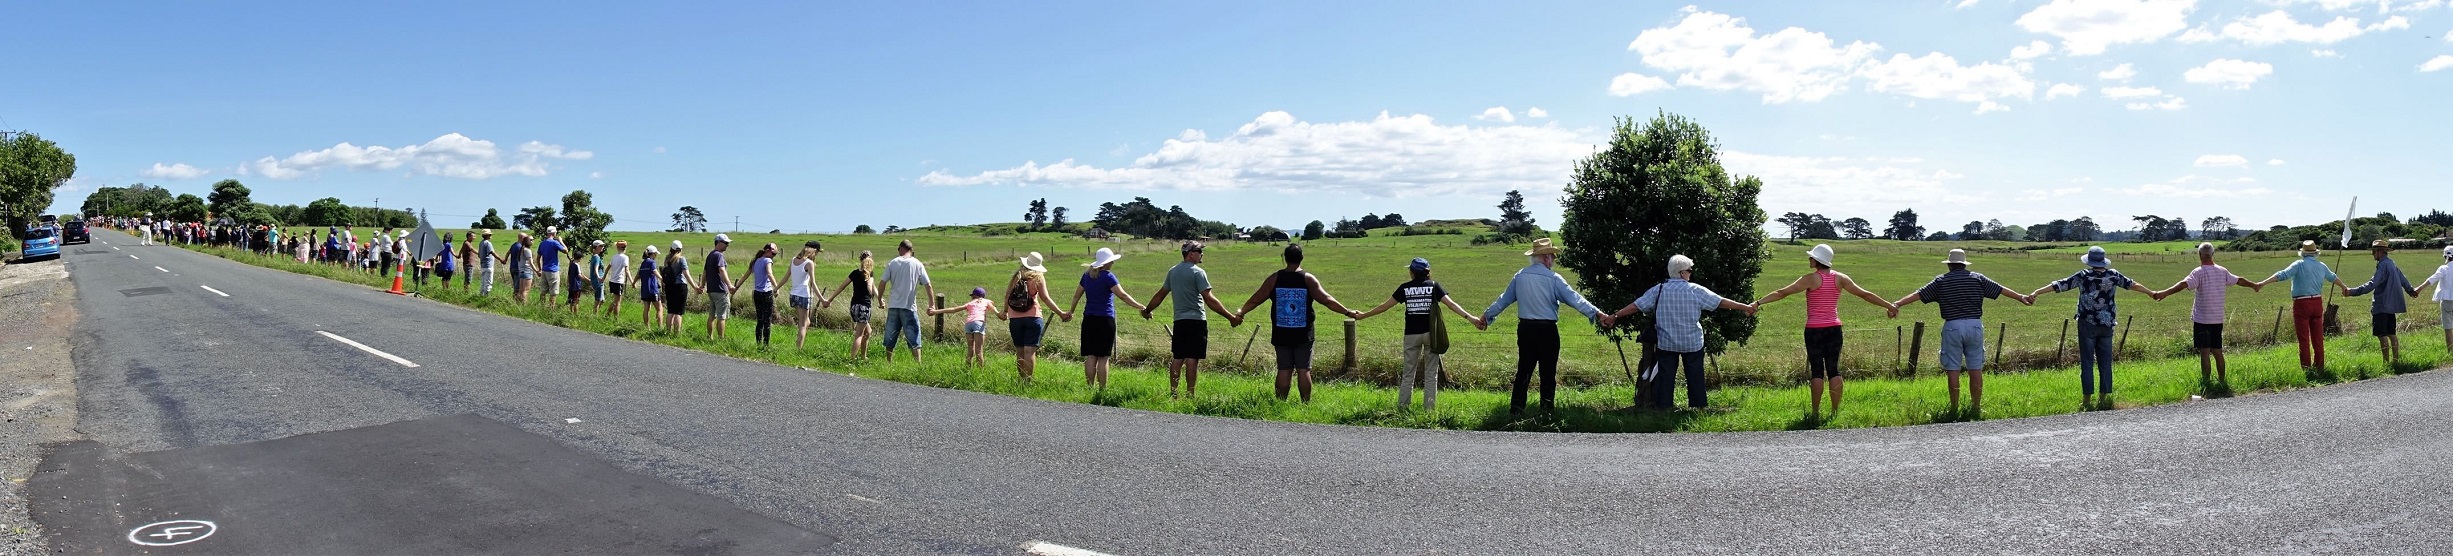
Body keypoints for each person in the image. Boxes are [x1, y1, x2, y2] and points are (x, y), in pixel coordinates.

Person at [1747, 244, 1898, 418]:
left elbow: (1783, 293)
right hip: (1834, 329)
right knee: (1834, 369)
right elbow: (1865, 294)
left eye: (1811, 257)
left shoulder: (1810, 279)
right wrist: (1889, 306)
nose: (1809, 259)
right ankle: (1834, 412)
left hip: (1813, 330)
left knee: (1817, 371)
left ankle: (1815, 413)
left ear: (1817, 260)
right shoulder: (1840, 278)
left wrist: (1757, 303)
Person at [1889, 249, 2033, 417]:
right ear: (1964, 264)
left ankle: (1954, 408)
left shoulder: (1941, 281)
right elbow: (2001, 289)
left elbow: (1919, 294)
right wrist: (2021, 297)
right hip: (1975, 325)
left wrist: (1897, 304)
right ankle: (1976, 408)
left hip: (1952, 326)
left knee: (1953, 369)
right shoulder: (1977, 278)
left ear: (1949, 265)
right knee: (1975, 368)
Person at [1608, 255, 1758, 410]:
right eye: (1689, 270)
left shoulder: (1658, 290)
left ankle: (1664, 408)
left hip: (1666, 343)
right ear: (1681, 273)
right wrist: (1745, 307)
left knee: (1666, 377)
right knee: (1695, 376)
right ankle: (1698, 407)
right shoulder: (1695, 290)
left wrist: (1615, 316)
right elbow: (1720, 302)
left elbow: (1637, 306)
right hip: (1692, 343)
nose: (1690, 273)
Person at [1481, 238, 1607, 414]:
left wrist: (1486, 316)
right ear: (1547, 257)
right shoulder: (1554, 278)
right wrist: (1597, 313)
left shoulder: (1520, 276)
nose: (1553, 261)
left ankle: (1516, 410)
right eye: (1553, 257)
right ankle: (1546, 411)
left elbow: (1504, 300)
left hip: (1525, 329)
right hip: (1547, 330)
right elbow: (1574, 299)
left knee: (1524, 369)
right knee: (1548, 372)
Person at [2028, 246, 2160, 409]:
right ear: (2103, 260)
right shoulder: (2114, 275)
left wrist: (2037, 292)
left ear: (2089, 261)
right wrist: (2150, 292)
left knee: (2087, 361)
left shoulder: (2084, 276)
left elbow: (2060, 285)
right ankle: (2104, 398)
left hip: (2087, 323)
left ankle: (2087, 400)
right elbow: (2133, 285)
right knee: (2105, 362)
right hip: (2107, 324)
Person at [1354, 257, 1485, 412]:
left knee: (1408, 373)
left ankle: (1403, 409)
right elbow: (1451, 304)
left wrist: (1363, 315)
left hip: (1411, 335)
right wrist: (1472, 319)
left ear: (1412, 272)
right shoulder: (1434, 286)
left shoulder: (1404, 288)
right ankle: (1429, 411)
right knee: (1431, 375)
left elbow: (1384, 307)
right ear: (1427, 272)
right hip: (1431, 335)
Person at [1234, 244, 1360, 403]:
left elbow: (1256, 299)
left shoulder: (1275, 278)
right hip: (1304, 334)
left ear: (1284, 258)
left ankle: (1280, 403)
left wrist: (1241, 313)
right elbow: (1327, 300)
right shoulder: (1308, 279)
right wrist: (1348, 312)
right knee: (1304, 369)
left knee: (1283, 369)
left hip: (1281, 332)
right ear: (1301, 258)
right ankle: (1305, 404)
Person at [2152, 243, 2265, 386]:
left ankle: (2206, 383)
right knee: (2217, 351)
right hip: (2217, 319)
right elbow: (2239, 280)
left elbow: (2183, 284)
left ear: (2199, 255)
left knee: (2205, 352)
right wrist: (2254, 285)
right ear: (2213, 254)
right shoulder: (2222, 271)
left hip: (2202, 319)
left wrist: (2165, 293)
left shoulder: (2198, 272)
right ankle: (2222, 382)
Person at [1142, 241, 1240, 399]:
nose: (1202, 254)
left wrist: (1147, 310)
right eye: (1200, 251)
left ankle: (1173, 393)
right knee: (1192, 359)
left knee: (1178, 357)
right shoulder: (1198, 272)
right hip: (1196, 321)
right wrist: (1230, 317)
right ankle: (1190, 394)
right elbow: (1209, 299)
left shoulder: (1173, 272)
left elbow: (1160, 295)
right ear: (1191, 253)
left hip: (1179, 321)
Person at [2257, 241, 2350, 370]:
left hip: (2301, 304)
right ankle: (2319, 366)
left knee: (2304, 339)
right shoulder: (2321, 266)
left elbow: (2282, 275)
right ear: (2315, 253)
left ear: (2303, 253)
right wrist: (2344, 287)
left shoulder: (2298, 264)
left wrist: (2263, 283)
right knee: (2318, 338)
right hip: (2317, 303)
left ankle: (2306, 367)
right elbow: (2332, 277)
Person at [1064, 248, 1146, 389]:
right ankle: (1102, 389)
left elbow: (1076, 295)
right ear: (1107, 263)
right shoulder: (1108, 277)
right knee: (1103, 357)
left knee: (1091, 356)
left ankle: (1090, 387)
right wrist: (1140, 307)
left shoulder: (1087, 276)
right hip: (1105, 319)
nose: (1113, 263)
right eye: (1111, 261)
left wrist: (1071, 311)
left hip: (1089, 319)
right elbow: (1123, 295)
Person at [2342, 239, 2420, 366]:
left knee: (2381, 334)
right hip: (2391, 306)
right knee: (2391, 334)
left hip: (2381, 305)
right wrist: (2411, 291)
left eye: (2374, 251)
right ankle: (2395, 362)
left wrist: (2352, 292)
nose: (2372, 254)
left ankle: (2386, 363)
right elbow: (2403, 279)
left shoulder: (2383, 265)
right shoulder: (2391, 263)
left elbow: (2372, 284)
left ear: (2380, 252)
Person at [1002, 253, 1066, 382]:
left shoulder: (1017, 276)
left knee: (1020, 351)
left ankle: (1021, 380)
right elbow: (1046, 298)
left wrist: (1005, 311)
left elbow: (1007, 296)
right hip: (1033, 317)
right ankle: (1028, 381)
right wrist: (1061, 313)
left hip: (1015, 319)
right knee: (1029, 352)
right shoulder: (1038, 277)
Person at [879, 239, 937, 362]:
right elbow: (928, 285)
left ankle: (889, 362)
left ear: (901, 248)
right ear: (911, 250)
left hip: (894, 305)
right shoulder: (918, 264)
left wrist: (880, 298)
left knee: (890, 336)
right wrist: (932, 304)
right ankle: (918, 364)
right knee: (914, 336)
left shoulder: (892, 263)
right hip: (909, 306)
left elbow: (883, 282)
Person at [828, 250, 881, 360]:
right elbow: (872, 287)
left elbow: (841, 287)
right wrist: (879, 299)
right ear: (871, 260)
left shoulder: (854, 273)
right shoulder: (870, 274)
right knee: (859, 335)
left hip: (854, 307)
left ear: (860, 260)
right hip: (864, 307)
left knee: (868, 331)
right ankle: (851, 359)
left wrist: (830, 299)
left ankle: (863, 357)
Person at [930, 287, 1000, 368]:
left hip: (968, 324)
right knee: (979, 350)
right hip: (978, 323)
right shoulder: (986, 301)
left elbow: (954, 309)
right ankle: (980, 371)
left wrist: (936, 311)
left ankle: (967, 369)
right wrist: (999, 314)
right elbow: (993, 308)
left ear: (974, 296)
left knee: (970, 349)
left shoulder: (970, 303)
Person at [738, 242, 780, 347]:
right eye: (773, 254)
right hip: (767, 293)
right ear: (767, 251)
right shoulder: (768, 261)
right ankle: (766, 345)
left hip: (757, 293)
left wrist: (736, 287)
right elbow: (770, 273)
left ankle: (758, 343)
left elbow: (745, 276)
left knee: (759, 320)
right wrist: (776, 287)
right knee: (767, 320)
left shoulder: (756, 261)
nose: (774, 256)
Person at [2413, 246, 2453, 353]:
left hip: (2447, 301)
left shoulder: (2444, 268)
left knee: (2448, 327)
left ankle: (2450, 352)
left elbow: (2432, 279)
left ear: (2446, 256)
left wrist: (2419, 289)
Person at [787, 241, 822, 348]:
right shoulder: (809, 264)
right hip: (803, 295)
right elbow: (813, 283)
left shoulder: (793, 260)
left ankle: (799, 343)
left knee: (805, 321)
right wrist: (822, 299)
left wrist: (777, 288)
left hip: (793, 295)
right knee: (803, 324)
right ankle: (798, 348)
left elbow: (786, 277)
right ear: (813, 251)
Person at [702, 234, 736, 340]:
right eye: (725, 243)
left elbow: (705, 272)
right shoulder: (719, 255)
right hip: (720, 290)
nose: (727, 245)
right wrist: (730, 285)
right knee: (722, 316)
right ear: (718, 243)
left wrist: (702, 285)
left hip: (711, 290)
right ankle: (721, 338)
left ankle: (709, 337)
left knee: (712, 315)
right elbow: (722, 270)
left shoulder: (710, 255)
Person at [662, 240, 699, 334]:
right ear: (680, 249)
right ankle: (676, 333)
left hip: (669, 286)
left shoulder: (667, 259)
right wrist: (695, 286)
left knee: (670, 311)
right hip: (680, 286)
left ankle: (668, 332)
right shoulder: (681, 259)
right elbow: (686, 274)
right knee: (678, 312)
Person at [536, 227, 566, 305]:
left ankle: (542, 307)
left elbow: (538, 258)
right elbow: (566, 251)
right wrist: (561, 241)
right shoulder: (555, 242)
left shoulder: (542, 243)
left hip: (544, 270)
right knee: (553, 292)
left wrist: (539, 269)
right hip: (553, 270)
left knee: (543, 291)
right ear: (554, 233)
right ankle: (551, 309)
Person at [636, 245, 661, 328]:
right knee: (659, 309)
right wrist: (661, 278)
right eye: (655, 254)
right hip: (653, 290)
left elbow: (638, 275)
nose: (656, 256)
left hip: (644, 290)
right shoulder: (652, 262)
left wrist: (633, 283)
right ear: (653, 254)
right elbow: (654, 271)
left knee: (646, 309)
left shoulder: (643, 263)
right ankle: (660, 327)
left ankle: (647, 327)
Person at [604, 240, 631, 317]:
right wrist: (632, 281)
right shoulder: (625, 258)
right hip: (619, 281)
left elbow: (608, 268)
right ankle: (616, 319)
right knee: (618, 302)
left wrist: (603, 277)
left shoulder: (614, 257)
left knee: (616, 300)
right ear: (625, 248)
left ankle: (607, 314)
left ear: (617, 248)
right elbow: (627, 270)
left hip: (612, 280)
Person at [507, 233, 534, 303]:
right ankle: (517, 303)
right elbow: (529, 261)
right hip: (518, 269)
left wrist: (504, 260)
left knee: (518, 288)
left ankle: (515, 302)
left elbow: (508, 253)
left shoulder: (514, 245)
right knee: (519, 289)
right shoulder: (521, 247)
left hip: (512, 267)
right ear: (522, 238)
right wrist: (536, 270)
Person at [477, 229, 501, 296]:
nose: (491, 235)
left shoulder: (481, 243)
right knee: (488, 282)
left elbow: (479, 254)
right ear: (487, 235)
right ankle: (486, 296)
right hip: (488, 265)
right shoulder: (488, 243)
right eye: (490, 234)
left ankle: (481, 294)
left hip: (483, 265)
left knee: (483, 282)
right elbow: (492, 252)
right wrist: (500, 259)